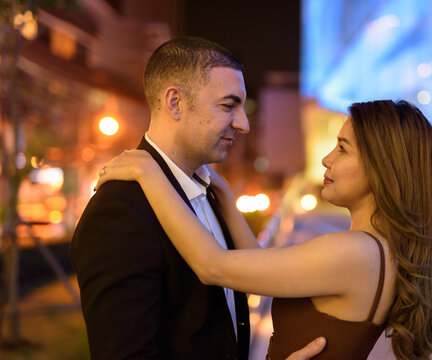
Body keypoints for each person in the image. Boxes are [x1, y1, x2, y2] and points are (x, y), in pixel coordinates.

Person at [96, 100, 432, 359]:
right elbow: (261, 266)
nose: (327, 159)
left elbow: (213, 266)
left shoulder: (354, 252)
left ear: (382, 168)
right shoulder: (377, 250)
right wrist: (224, 195)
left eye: (343, 149)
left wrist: (149, 172)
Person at [71, 36, 324, 360]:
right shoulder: (119, 214)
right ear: (175, 102)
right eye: (228, 105)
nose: (243, 124)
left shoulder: (212, 191)